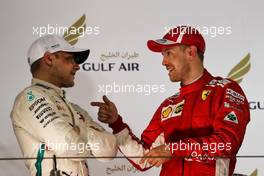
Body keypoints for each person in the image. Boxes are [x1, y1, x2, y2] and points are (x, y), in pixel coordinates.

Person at [91, 26, 250, 176]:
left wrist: (174, 149)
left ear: (191, 52)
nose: (164, 62)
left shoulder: (224, 89)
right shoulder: (169, 104)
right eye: (163, 55)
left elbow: (227, 144)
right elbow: (143, 158)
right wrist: (116, 123)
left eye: (168, 53)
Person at [10, 34, 117, 176]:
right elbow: (73, 148)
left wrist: (78, 130)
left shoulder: (75, 109)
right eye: (69, 59)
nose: (77, 66)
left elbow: (109, 150)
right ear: (49, 59)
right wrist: (85, 134)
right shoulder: (29, 97)